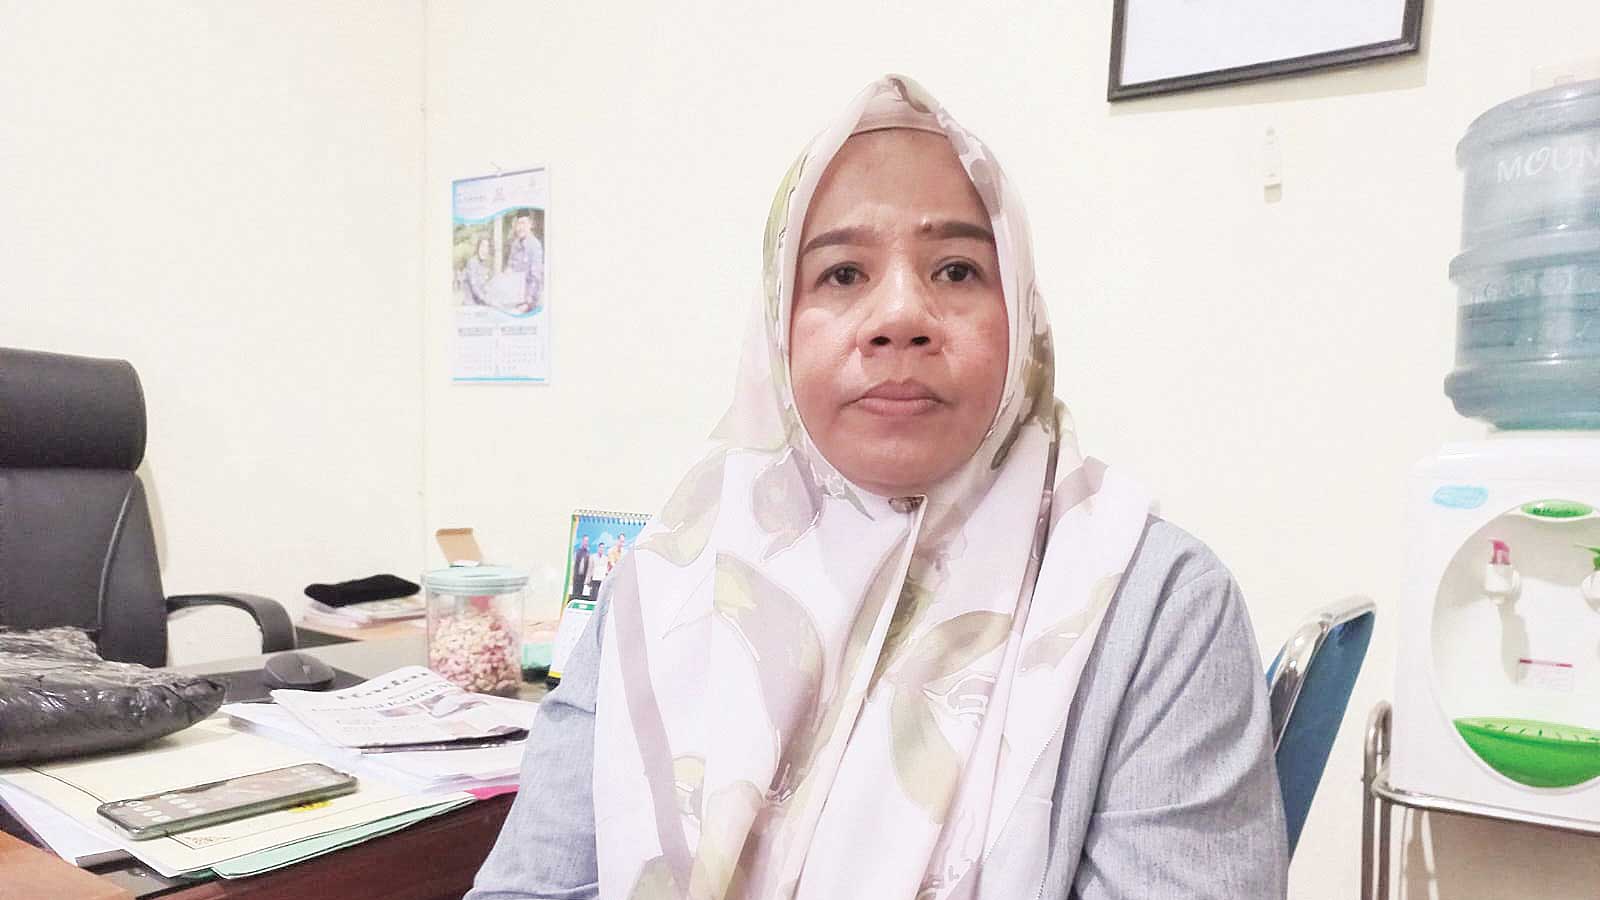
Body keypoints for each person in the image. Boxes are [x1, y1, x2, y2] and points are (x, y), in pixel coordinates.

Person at [468, 75, 1287, 900]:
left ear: (1023, 316)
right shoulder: (663, 585)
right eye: (842, 274)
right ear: (777, 329)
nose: (900, 317)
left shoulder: (1157, 607)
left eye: (958, 270)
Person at [463, 236, 493, 305]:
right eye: (482, 246)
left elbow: (485, 286)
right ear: (478, 247)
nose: (484, 249)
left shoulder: (484, 266)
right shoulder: (472, 262)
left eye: (487, 247)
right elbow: (474, 286)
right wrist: (485, 299)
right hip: (470, 304)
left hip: (480, 303)